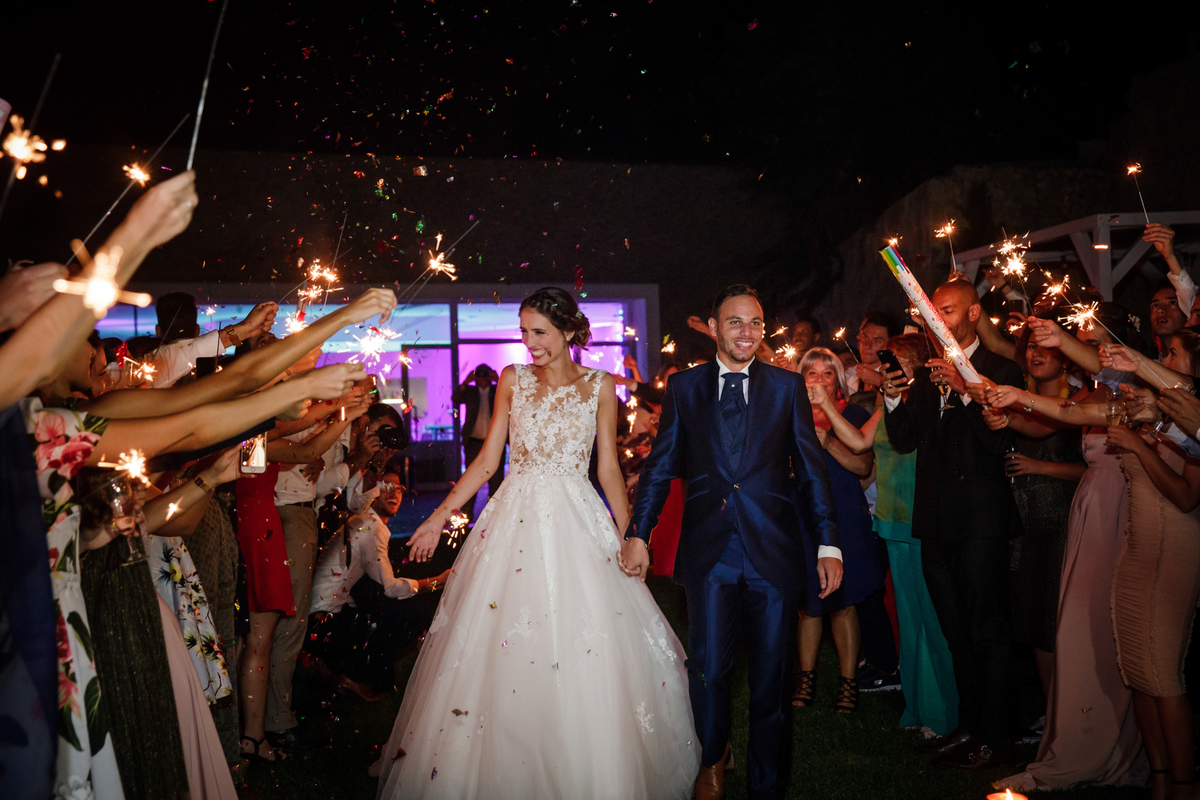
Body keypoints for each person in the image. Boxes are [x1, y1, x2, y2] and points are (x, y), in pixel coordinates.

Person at [374, 286, 700, 799]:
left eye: (539, 332)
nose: (529, 343)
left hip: (577, 518)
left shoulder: (601, 387)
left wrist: (632, 535)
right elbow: (486, 463)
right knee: (500, 638)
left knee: (586, 638)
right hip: (514, 521)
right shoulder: (512, 380)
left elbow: (609, 469)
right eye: (524, 332)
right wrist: (439, 517)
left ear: (569, 331)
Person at [624, 284, 842, 800]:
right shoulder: (685, 388)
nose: (747, 332)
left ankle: (767, 785)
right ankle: (712, 757)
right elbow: (658, 469)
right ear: (715, 327)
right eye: (736, 322)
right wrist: (639, 533)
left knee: (771, 680)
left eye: (756, 323)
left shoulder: (786, 388)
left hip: (773, 553)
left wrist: (828, 543)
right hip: (710, 552)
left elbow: (812, 473)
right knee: (708, 671)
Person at [882, 278, 1024, 770]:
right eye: (932, 312)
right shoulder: (925, 373)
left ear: (973, 313)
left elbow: (1000, 446)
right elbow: (904, 441)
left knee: (988, 630)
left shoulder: (1001, 370)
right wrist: (894, 397)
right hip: (935, 522)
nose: (937, 319)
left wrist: (966, 393)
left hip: (982, 523)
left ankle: (999, 736)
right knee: (954, 631)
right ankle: (968, 727)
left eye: (948, 310)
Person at [811, 333, 959, 737]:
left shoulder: (929, 402)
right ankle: (917, 707)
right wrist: (825, 405)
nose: (879, 370)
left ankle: (945, 712)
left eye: (890, 363)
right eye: (881, 364)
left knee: (933, 620)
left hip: (922, 517)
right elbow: (859, 442)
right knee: (910, 623)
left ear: (914, 367)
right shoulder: (883, 401)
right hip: (892, 518)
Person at [792, 348, 880, 714]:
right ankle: (807, 678)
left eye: (827, 374)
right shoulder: (789, 415)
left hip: (844, 513)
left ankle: (848, 682)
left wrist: (828, 442)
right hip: (801, 515)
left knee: (843, 604)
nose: (818, 380)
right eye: (811, 373)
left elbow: (863, 466)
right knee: (807, 605)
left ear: (837, 382)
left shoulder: (853, 414)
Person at [453, 364, 502, 522]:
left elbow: (514, 397)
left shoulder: (497, 391)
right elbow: (455, 399)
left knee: (496, 482)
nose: (482, 377)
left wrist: (499, 380)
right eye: (479, 374)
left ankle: (493, 520)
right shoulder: (471, 392)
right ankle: (466, 520)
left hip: (495, 442)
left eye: (484, 374)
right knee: (470, 481)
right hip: (473, 442)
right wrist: (466, 382)